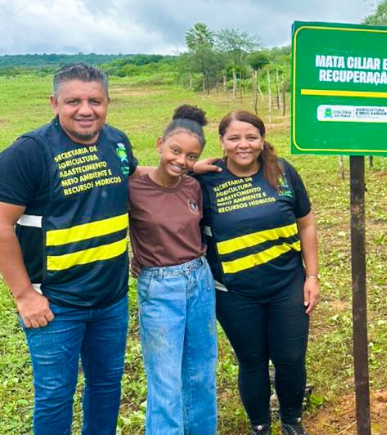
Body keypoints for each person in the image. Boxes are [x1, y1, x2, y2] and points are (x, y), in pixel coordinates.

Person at [0, 63, 136, 434]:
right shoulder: (30, 152)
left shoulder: (117, 142)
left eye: (95, 100)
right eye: (73, 100)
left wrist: (183, 167)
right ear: (54, 103)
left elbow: (136, 181)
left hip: (111, 298)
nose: (85, 109)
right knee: (55, 395)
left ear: (108, 102)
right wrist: (25, 296)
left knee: (107, 387)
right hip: (55, 305)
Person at [196, 110, 319, 435]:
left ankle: (291, 421)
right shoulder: (205, 179)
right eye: (234, 138)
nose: (243, 145)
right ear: (221, 142)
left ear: (262, 139)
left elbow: (305, 223)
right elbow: (163, 193)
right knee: (252, 361)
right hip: (234, 292)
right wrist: (188, 169)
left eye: (251, 137)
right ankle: (260, 426)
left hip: (287, 285)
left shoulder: (281, 172)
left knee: (291, 358)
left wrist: (312, 276)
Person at [128, 105, 217, 434]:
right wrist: (130, 255)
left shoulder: (192, 185)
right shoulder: (133, 185)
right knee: (165, 382)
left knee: (201, 374)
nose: (181, 161)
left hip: (199, 281)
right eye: (175, 151)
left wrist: (197, 169)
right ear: (159, 143)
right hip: (160, 286)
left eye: (191, 157)